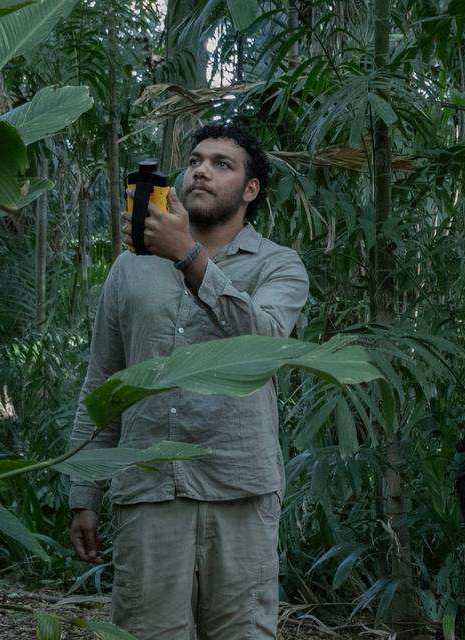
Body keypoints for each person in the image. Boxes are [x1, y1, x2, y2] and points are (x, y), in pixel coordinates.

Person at [67, 122, 309, 640]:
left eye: (223, 164)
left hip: (240, 489)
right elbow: (102, 381)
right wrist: (83, 490)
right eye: (196, 159)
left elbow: (264, 346)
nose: (202, 169)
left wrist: (188, 257)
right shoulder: (130, 268)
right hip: (150, 488)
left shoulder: (279, 266)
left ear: (250, 190)